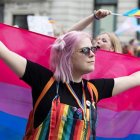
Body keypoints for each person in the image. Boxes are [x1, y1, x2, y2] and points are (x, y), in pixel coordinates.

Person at [0, 30, 140, 140]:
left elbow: (134, 78)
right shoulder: (44, 80)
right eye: (85, 50)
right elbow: (4, 52)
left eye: (92, 49)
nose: (92, 54)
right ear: (67, 55)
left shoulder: (94, 90)